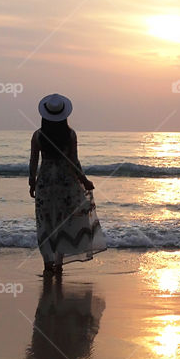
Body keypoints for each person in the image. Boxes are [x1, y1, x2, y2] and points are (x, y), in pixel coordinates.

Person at [28, 93, 107, 274]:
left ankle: (47, 264)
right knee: (63, 224)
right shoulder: (70, 135)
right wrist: (84, 180)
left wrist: (32, 182)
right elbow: (74, 162)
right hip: (66, 185)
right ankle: (59, 264)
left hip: (45, 186)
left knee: (45, 224)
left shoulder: (38, 136)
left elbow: (33, 162)